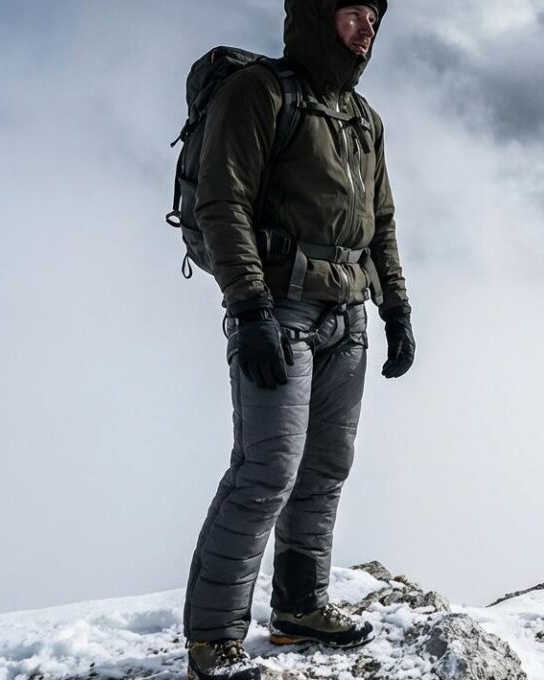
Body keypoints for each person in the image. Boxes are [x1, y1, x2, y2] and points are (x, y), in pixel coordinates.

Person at [181, 1, 413, 678]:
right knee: (266, 471)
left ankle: (300, 608)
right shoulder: (260, 93)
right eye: (353, 13)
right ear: (318, 15)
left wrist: (396, 308)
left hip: (349, 314)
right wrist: (249, 307)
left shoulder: (363, 117)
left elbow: (382, 222)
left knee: (325, 469)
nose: (367, 29)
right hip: (280, 308)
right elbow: (222, 203)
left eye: (375, 18)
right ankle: (213, 637)